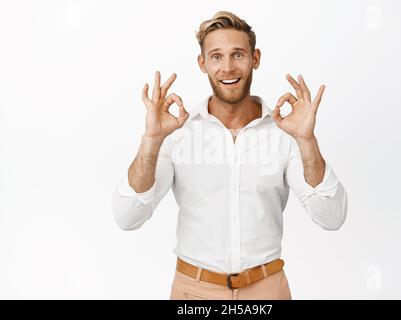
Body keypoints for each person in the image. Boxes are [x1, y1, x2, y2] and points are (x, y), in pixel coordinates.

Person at [112, 11, 348, 300]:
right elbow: (128, 217)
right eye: (216, 57)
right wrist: (151, 141)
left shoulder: (284, 133)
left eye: (238, 55)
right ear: (203, 63)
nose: (228, 67)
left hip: (267, 293)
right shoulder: (177, 132)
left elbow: (331, 217)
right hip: (194, 293)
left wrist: (307, 141)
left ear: (255, 59)